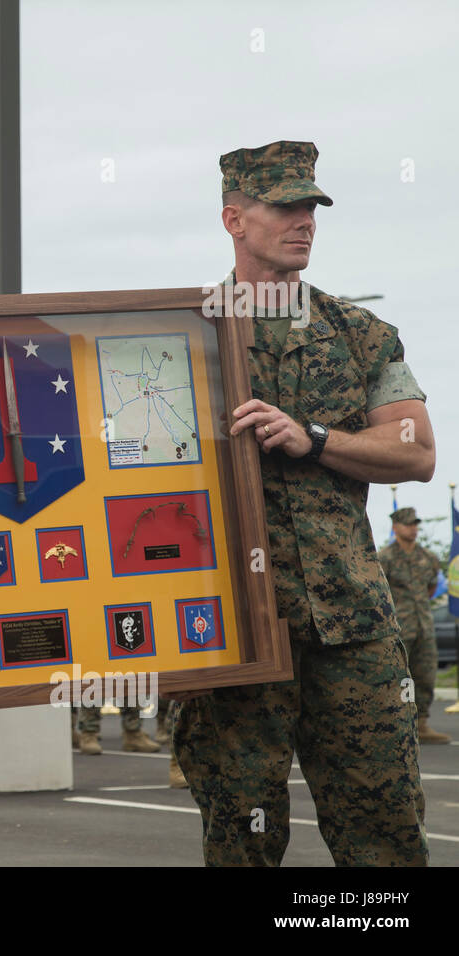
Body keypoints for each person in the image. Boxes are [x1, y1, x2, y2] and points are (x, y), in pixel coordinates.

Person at [170, 141, 433, 866]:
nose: (304, 222)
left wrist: (314, 438)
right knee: (241, 832)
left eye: (311, 207)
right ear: (233, 218)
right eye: (284, 206)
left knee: (385, 832)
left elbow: (416, 450)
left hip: (351, 627)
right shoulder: (178, 340)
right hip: (234, 631)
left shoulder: (360, 335)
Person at [378, 507, 450, 744]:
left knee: (426, 676)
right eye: (408, 524)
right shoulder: (385, 558)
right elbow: (379, 592)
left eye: (415, 524)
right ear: (396, 527)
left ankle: (421, 725)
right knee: (398, 677)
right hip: (398, 629)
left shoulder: (428, 557)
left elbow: (431, 588)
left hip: (424, 627)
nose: (413, 528)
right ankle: (395, 725)